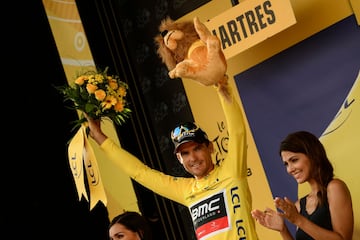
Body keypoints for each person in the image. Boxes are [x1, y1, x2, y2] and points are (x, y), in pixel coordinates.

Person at [86, 77, 259, 240]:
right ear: (179, 159)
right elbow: (140, 173)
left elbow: (237, 131)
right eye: (185, 153)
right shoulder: (185, 190)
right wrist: (100, 137)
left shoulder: (232, 170)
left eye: (197, 148)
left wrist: (221, 85)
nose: (193, 158)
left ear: (210, 147)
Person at [251, 131, 354, 240]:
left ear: (312, 155)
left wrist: (298, 219)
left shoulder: (335, 187)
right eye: (286, 164)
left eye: (294, 160)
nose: (290, 169)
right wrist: (283, 230)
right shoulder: (300, 205)